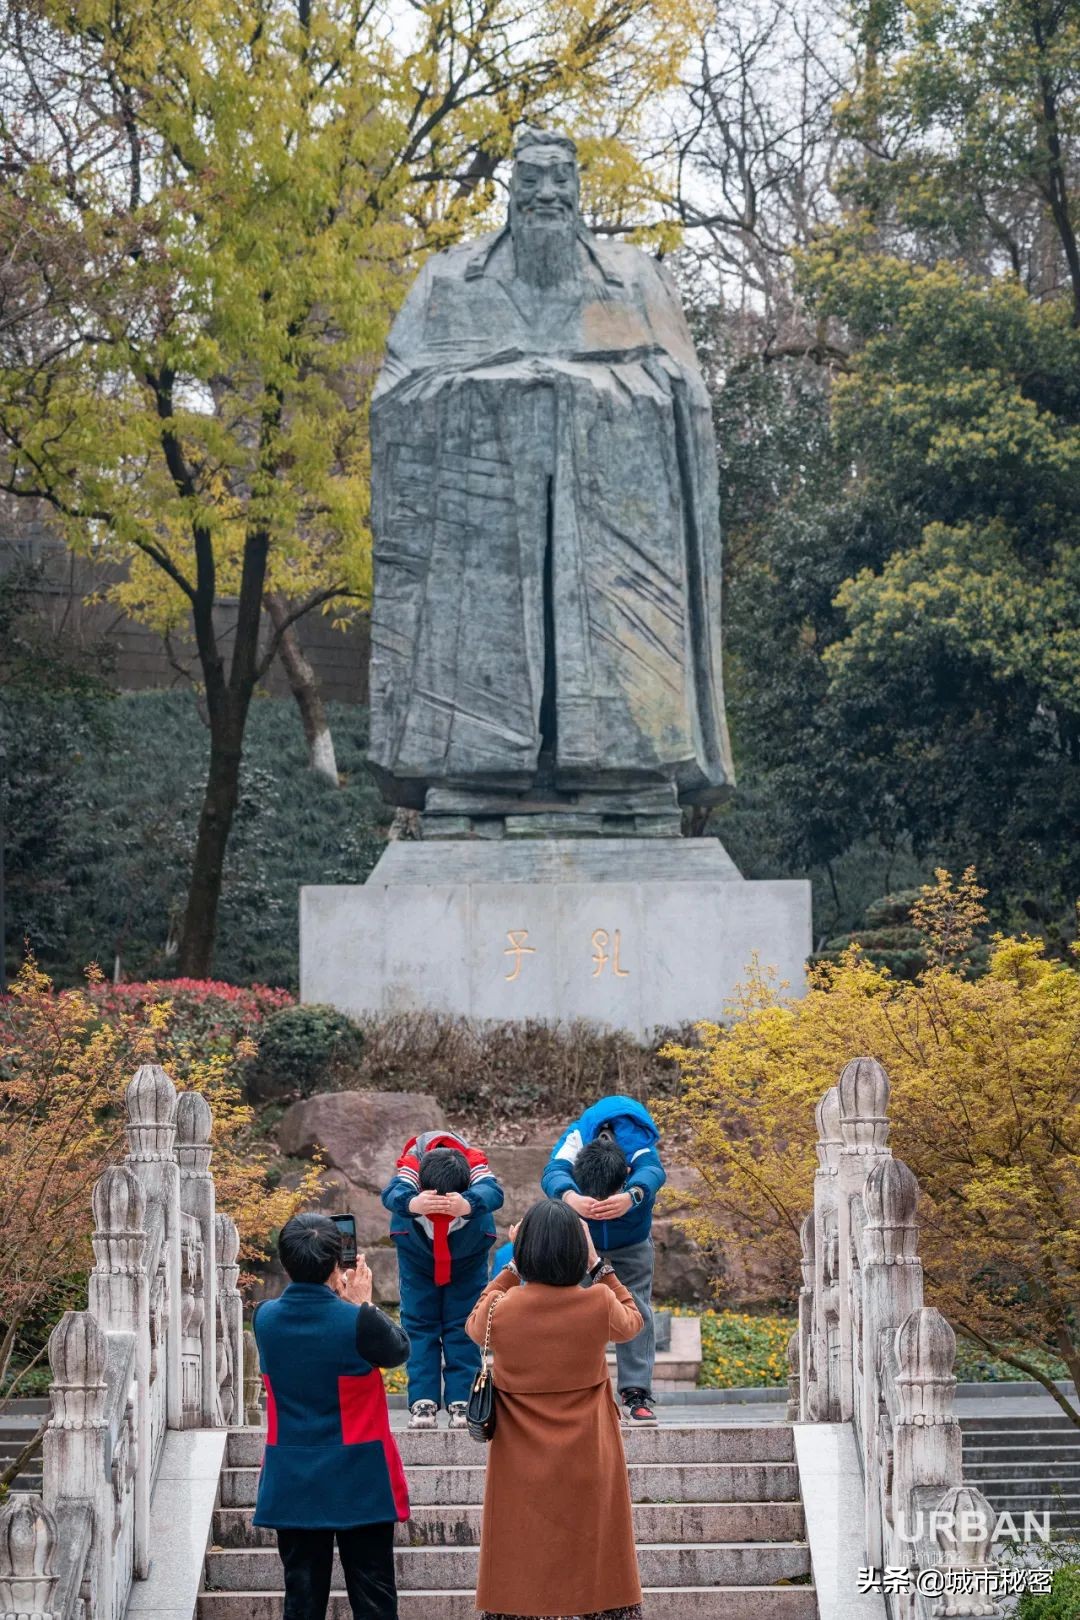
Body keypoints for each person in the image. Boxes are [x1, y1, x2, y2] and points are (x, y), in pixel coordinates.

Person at [466, 1198, 644, 1620]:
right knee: (596, 1546)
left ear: (525, 1249)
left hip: (519, 1457)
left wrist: (512, 1265)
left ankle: (515, 1608)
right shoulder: (598, 1303)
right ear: (577, 1251)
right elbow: (633, 1320)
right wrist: (598, 1264)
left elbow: (476, 1322)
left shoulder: (502, 1309)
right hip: (589, 1451)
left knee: (518, 1544)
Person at [251, 1212, 411, 1620]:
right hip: (360, 1472)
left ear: (285, 1262)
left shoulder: (264, 1319)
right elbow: (398, 1350)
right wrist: (363, 1303)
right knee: (374, 1598)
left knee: (302, 1600)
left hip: (293, 1473)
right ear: (338, 1263)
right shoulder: (358, 1321)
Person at [540, 1096, 666, 1425]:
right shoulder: (577, 1136)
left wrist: (631, 1196)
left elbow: (653, 1171)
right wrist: (571, 1197)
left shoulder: (636, 1139)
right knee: (573, 1310)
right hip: (581, 1239)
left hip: (631, 1241)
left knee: (636, 1310)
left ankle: (636, 1393)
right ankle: (576, 1392)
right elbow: (552, 1171)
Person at [382, 1129, 504, 1429]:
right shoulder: (413, 1163)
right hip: (418, 1257)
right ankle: (422, 1402)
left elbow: (494, 1192)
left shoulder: (473, 1162)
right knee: (419, 1325)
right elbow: (392, 1192)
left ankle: (462, 1401)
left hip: (467, 1256)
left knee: (463, 1325)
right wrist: (414, 1204)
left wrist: (467, 1204)